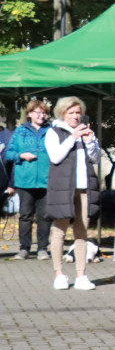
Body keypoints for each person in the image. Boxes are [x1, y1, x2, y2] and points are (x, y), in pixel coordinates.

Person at [45, 97, 100, 290]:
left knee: (82, 231)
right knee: (59, 230)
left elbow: (95, 159)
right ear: (62, 114)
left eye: (78, 112)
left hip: (84, 188)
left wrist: (90, 141)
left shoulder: (85, 132)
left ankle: (81, 275)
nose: (76, 116)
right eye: (71, 113)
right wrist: (73, 137)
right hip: (63, 189)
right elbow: (55, 156)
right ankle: (59, 274)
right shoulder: (53, 132)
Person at [5, 100, 53, 260]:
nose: (41, 115)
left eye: (44, 112)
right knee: (25, 216)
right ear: (29, 114)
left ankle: (42, 249)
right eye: (38, 112)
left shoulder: (52, 131)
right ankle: (24, 248)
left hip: (47, 180)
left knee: (44, 216)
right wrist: (21, 155)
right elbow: (8, 153)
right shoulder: (20, 131)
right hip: (25, 181)